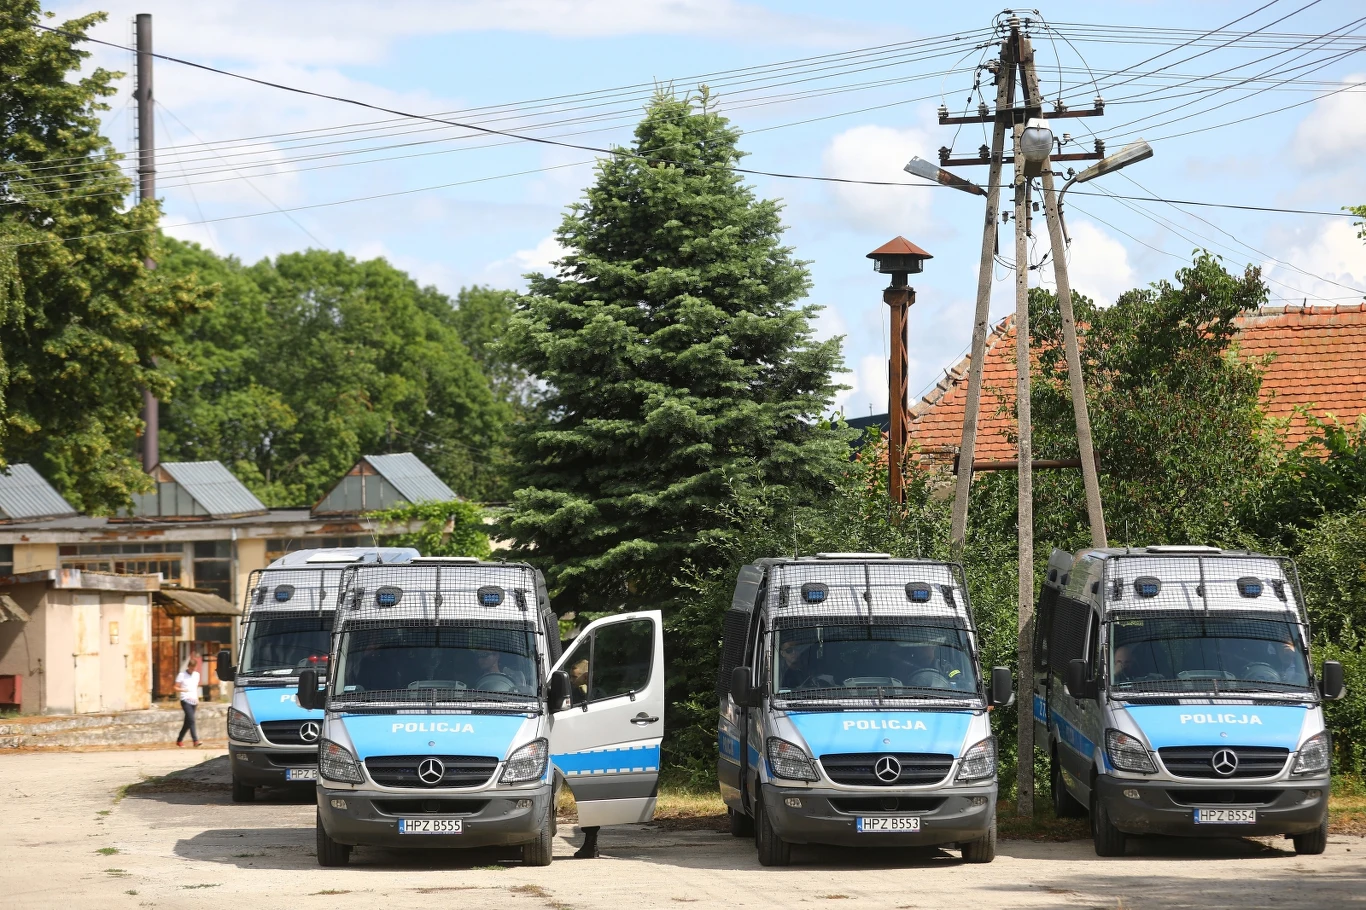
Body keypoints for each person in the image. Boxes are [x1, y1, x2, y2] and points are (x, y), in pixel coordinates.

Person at [175, 654, 202, 747]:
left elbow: (195, 687)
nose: (192, 670)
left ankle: (179, 740)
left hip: (194, 700)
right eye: (191, 668)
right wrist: (183, 690)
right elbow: (175, 687)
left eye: (194, 668)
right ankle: (195, 741)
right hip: (185, 699)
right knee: (191, 719)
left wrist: (197, 698)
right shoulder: (182, 675)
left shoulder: (197, 675)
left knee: (188, 722)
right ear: (188, 666)